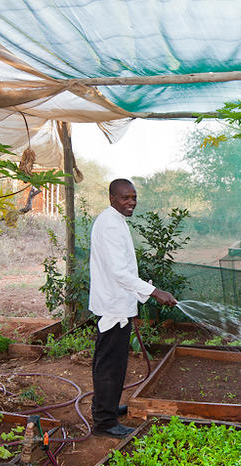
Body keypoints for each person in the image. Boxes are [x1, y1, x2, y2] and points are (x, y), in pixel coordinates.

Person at [88, 178, 177, 437]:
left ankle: (109, 408)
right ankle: (104, 422)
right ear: (112, 198)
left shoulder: (115, 221)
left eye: (134, 197)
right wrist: (154, 292)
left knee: (114, 363)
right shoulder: (110, 226)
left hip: (118, 305)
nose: (131, 202)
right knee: (109, 365)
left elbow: (122, 269)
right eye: (125, 197)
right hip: (113, 307)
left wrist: (146, 292)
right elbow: (119, 272)